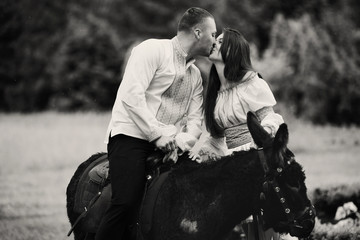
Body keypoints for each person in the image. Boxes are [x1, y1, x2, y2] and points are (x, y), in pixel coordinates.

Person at [95, 7, 217, 240]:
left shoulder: (195, 77)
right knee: (126, 202)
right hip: (131, 137)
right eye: (213, 34)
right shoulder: (152, 50)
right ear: (198, 32)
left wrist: (178, 143)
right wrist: (157, 135)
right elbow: (131, 96)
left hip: (171, 146)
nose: (215, 40)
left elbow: (194, 123)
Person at [190, 28, 284, 239]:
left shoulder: (252, 84)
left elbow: (270, 118)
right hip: (231, 162)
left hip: (255, 156)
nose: (214, 42)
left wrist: (262, 137)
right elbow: (217, 137)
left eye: (221, 41)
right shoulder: (215, 94)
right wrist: (199, 151)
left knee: (266, 226)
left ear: (234, 50)